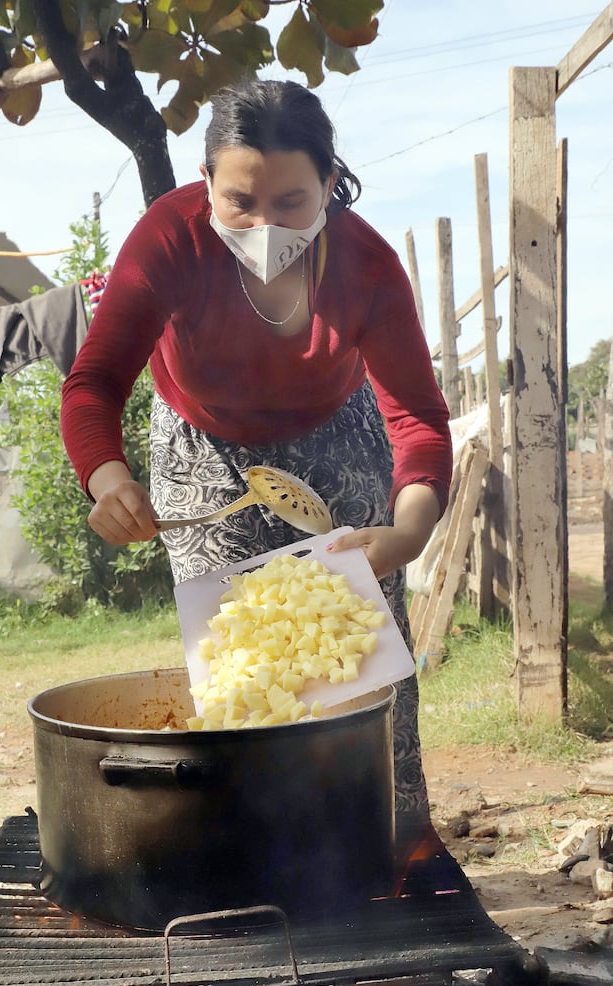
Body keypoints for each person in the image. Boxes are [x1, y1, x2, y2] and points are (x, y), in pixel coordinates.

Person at [61, 78, 453, 855]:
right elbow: (95, 384)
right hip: (199, 441)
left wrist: (406, 534)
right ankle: (257, 859)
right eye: (240, 201)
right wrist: (108, 477)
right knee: (242, 666)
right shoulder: (169, 240)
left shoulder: (366, 265)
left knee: (360, 664)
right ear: (205, 182)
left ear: (332, 185)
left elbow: (416, 417)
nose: (265, 224)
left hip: (336, 435)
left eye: (293, 203)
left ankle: (389, 851)